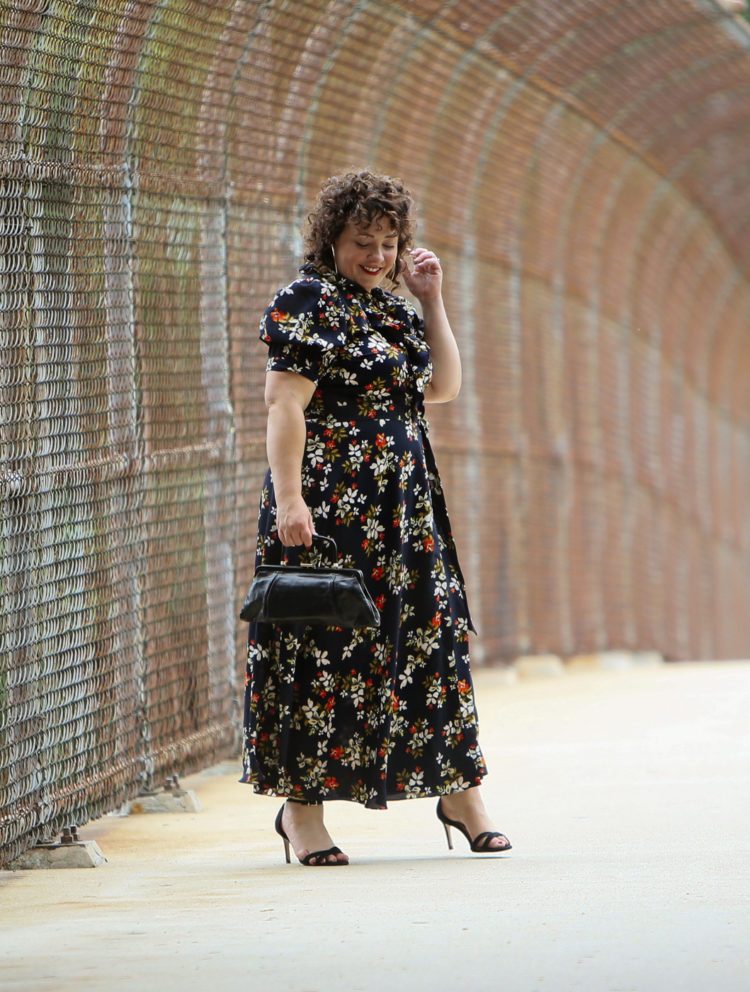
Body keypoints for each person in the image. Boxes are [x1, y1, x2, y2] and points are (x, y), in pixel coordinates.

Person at [241, 170, 511, 865]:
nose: (377, 256)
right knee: (320, 647)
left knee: (431, 637)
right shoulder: (307, 301)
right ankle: (302, 812)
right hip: (331, 507)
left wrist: (431, 300)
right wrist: (292, 499)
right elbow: (285, 407)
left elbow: (442, 388)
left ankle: (460, 793)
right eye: (363, 242)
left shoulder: (391, 310)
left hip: (406, 509)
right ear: (332, 238)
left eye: (389, 243)